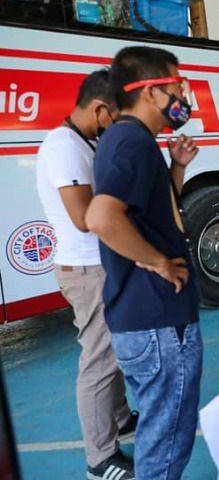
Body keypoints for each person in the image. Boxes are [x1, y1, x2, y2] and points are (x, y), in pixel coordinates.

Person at [85, 47, 201, 480]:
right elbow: (100, 217)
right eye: (177, 86)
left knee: (162, 427)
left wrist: (177, 167)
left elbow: (149, 213)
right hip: (157, 321)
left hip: (149, 319)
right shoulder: (130, 140)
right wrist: (159, 263)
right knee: (167, 436)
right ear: (151, 92)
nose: (183, 94)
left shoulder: (134, 140)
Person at [35, 70, 137, 480]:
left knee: (111, 354)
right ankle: (101, 458)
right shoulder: (64, 148)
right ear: (99, 109)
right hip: (87, 269)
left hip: (97, 265)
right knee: (99, 360)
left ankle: (119, 418)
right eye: (117, 117)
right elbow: (83, 218)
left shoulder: (83, 141)